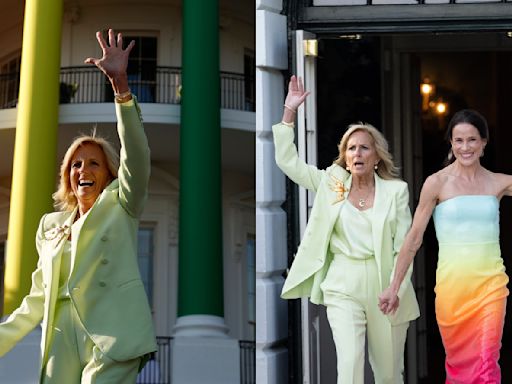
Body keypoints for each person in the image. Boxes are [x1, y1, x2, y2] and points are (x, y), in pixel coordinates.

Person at [0, 29, 157, 383]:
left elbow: (138, 156)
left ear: (108, 174)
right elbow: (37, 299)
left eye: (93, 163)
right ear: (67, 175)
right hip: (60, 339)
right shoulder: (50, 225)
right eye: (75, 164)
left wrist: (121, 88)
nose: (83, 170)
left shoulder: (122, 204)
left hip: (112, 335)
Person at [274, 75, 419, 384]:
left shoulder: (396, 191)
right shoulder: (332, 183)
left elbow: (403, 247)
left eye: (364, 148)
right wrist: (289, 112)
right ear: (344, 155)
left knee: (389, 374)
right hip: (342, 283)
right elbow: (289, 162)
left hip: (386, 285)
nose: (357, 154)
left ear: (377, 154)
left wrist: (395, 289)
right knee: (350, 366)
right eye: (351, 148)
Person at [379, 109, 509, 383]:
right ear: (450, 143)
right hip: (453, 291)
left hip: (491, 288)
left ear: (484, 142)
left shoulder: (499, 182)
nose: (465, 147)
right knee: (459, 369)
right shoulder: (436, 184)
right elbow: (414, 238)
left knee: (486, 364)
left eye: (472, 140)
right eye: (459, 140)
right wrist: (393, 287)